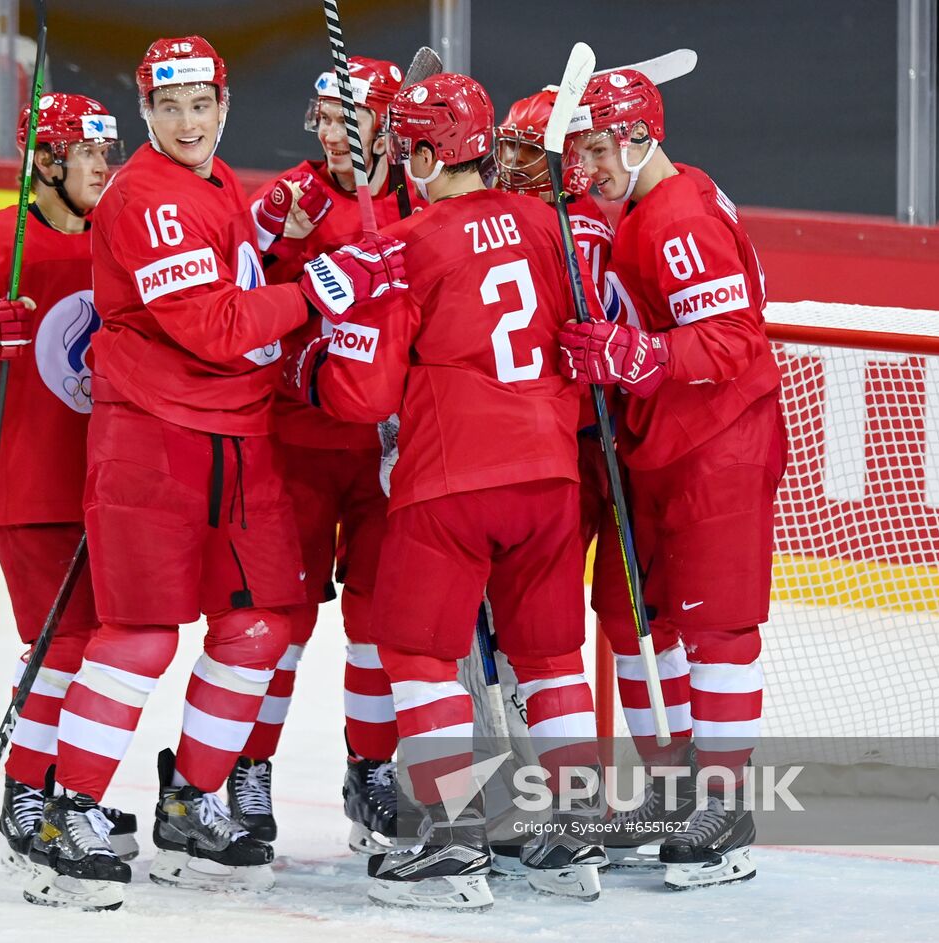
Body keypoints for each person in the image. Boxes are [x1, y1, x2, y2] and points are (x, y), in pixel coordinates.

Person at [24, 35, 407, 907]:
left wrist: (287, 251)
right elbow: (213, 324)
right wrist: (319, 287)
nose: (189, 122)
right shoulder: (148, 199)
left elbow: (247, 293)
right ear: (145, 113)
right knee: (143, 634)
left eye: (203, 105)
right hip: (155, 442)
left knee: (263, 622)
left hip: (238, 440)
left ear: (224, 107)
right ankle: (68, 808)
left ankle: (194, 797)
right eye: (170, 107)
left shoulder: (227, 185)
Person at [281, 72, 605, 910]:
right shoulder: (548, 223)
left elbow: (367, 395)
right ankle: (572, 839)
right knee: (549, 655)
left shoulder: (408, 244)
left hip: (451, 479)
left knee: (420, 652)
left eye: (404, 149)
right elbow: (580, 330)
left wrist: (311, 365)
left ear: (424, 154)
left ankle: (451, 842)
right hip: (550, 476)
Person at [558, 67, 787, 890]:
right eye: (580, 148)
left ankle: (724, 808)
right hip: (662, 443)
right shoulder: (646, 207)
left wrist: (641, 355)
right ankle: (673, 788)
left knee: (718, 626)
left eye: (596, 146)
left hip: (719, 445)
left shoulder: (678, 218)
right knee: (633, 617)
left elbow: (733, 341)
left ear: (639, 138)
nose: (586, 166)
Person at [0, 92, 138, 890]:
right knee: (66, 646)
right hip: (30, 484)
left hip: (113, 478)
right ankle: (31, 795)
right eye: (88, 154)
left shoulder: (121, 236)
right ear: (45, 161)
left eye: (109, 152)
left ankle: (55, 787)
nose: (105, 168)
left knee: (103, 646)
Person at [495, 85, 697, 869]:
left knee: (584, 624)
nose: (512, 164)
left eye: (528, 149)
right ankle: (637, 785)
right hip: (584, 443)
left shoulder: (563, 224)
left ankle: (632, 787)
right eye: (506, 147)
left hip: (576, 448)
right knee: (591, 624)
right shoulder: (578, 218)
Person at [227, 55, 423, 856]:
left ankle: (371, 768)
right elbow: (236, 304)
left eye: (350, 118)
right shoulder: (287, 199)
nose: (335, 135)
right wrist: (274, 242)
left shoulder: (419, 198)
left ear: (387, 123)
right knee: (281, 621)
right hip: (298, 443)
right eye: (325, 119)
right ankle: (248, 767)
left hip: (390, 454)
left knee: (379, 623)